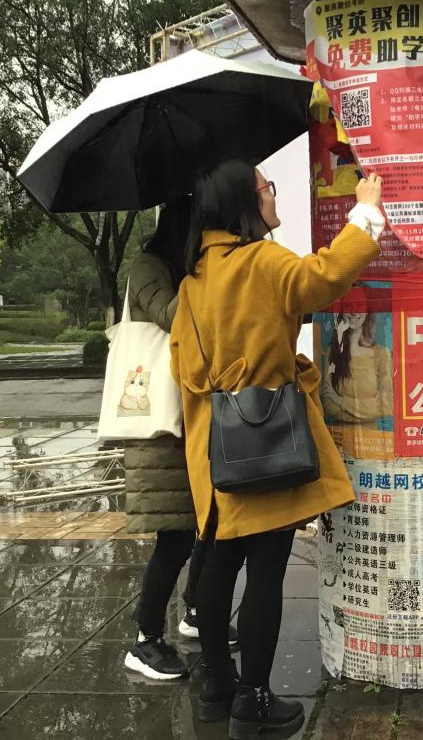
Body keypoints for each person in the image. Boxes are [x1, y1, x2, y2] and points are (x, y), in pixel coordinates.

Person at [170, 161, 384, 737]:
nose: (272, 194)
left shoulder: (192, 282)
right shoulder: (262, 262)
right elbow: (325, 276)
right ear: (245, 201)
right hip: (267, 443)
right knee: (266, 573)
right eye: (267, 187)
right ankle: (254, 701)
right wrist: (365, 211)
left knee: (217, 565)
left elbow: (184, 369)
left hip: (215, 450)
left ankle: (217, 686)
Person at [120, 197, 237, 681]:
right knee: (174, 535)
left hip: (190, 414)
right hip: (159, 424)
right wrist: (207, 271)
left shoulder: (183, 267)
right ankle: (145, 638)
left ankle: (195, 611)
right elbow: (175, 316)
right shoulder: (148, 267)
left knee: (207, 522)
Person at [321, 312, 393, 424]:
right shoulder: (333, 352)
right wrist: (368, 410)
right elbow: (328, 406)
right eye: (348, 307)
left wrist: (340, 401)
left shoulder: (381, 354)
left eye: (359, 306)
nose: (354, 312)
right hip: (336, 434)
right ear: (341, 312)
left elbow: (388, 405)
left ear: (367, 312)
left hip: (372, 434)